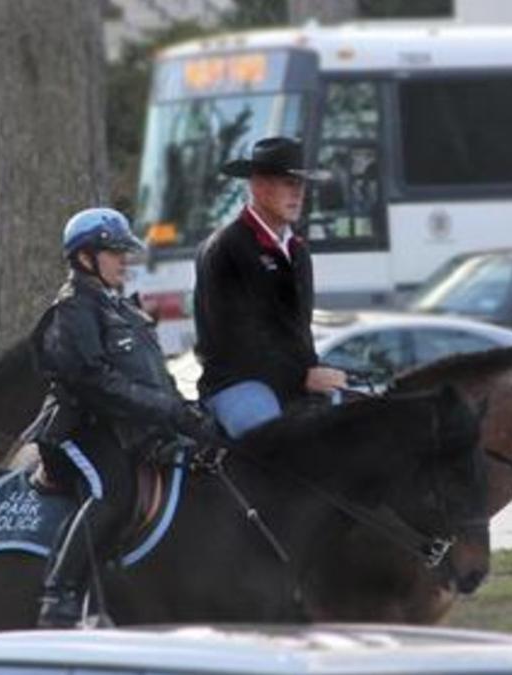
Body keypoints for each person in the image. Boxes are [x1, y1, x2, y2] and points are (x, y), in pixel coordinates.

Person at [29, 207, 223, 628]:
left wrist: (185, 413)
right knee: (112, 492)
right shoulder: (73, 309)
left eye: (124, 252)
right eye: (114, 252)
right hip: (79, 430)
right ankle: (59, 595)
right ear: (85, 258)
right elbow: (94, 382)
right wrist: (165, 410)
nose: (124, 261)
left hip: (128, 428)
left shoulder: (126, 311)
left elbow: (155, 377)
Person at [193, 137, 347, 439]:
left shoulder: (298, 251)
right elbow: (232, 341)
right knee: (273, 444)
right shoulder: (225, 248)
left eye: (301, 185)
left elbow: (297, 333)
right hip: (237, 383)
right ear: (259, 186)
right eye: (288, 183)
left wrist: (314, 372)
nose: (298, 194)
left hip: (293, 382)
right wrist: (302, 376)